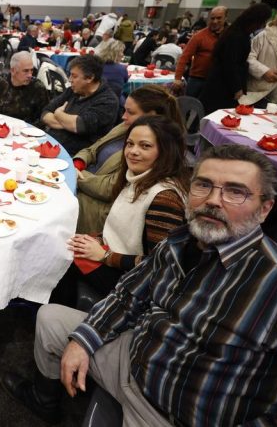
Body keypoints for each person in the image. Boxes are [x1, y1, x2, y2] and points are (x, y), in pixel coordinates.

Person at [3, 143, 277, 426]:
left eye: (236, 192)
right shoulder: (178, 240)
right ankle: (44, 402)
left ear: (264, 209)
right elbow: (129, 293)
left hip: (170, 414)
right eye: (203, 185)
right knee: (49, 318)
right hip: (136, 357)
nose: (213, 200)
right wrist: (84, 340)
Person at [63, 115, 188, 303]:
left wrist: (105, 255)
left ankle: (63, 317)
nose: (132, 152)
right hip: (115, 256)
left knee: (65, 256)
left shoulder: (165, 198)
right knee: (67, 244)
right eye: (130, 144)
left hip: (136, 283)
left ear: (166, 151)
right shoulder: (137, 178)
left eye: (145, 146)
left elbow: (158, 265)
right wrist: (97, 240)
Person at [73, 84, 184, 233]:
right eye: (130, 144)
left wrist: (75, 175)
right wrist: (78, 163)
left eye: (130, 112)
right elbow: (93, 148)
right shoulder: (125, 127)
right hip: (87, 184)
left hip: (104, 208)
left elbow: (110, 188)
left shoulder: (158, 150)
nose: (123, 116)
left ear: (151, 115)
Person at [200, 3, 273, 114]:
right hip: (223, 86)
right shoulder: (237, 36)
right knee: (216, 116)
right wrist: (237, 87)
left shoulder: (236, 32)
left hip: (220, 82)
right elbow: (230, 64)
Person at [40, 55, 118, 155]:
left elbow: (79, 125)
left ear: (90, 78)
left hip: (74, 155)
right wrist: (67, 124)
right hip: (51, 144)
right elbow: (45, 113)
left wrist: (58, 114)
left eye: (74, 76)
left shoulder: (107, 101)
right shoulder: (74, 91)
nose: (69, 79)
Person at [173, 6, 228, 97]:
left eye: (219, 18)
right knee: (188, 106)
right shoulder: (199, 36)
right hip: (197, 79)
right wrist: (178, 78)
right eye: (212, 18)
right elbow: (184, 57)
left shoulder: (230, 35)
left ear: (226, 18)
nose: (215, 21)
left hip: (218, 80)